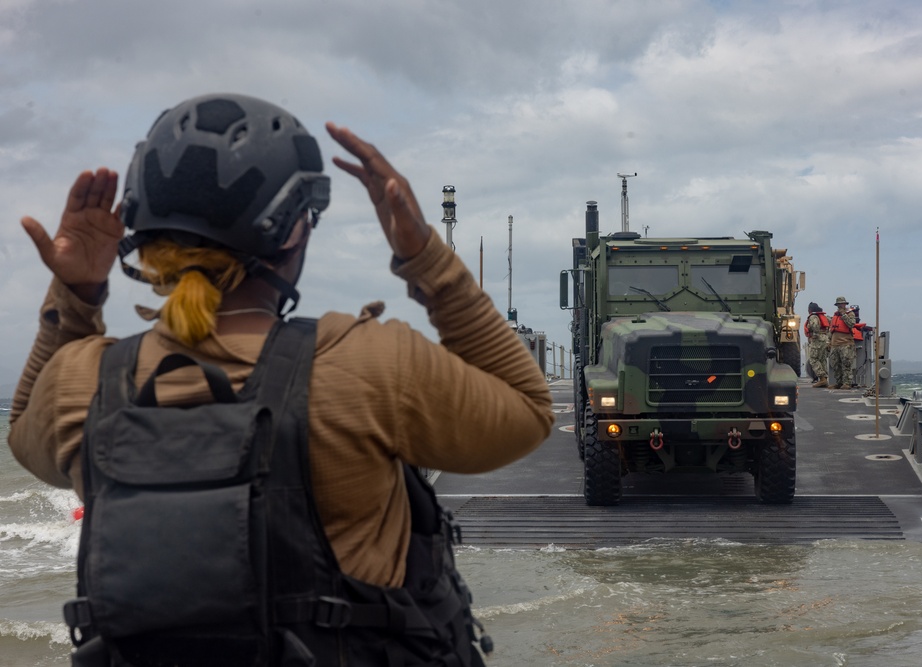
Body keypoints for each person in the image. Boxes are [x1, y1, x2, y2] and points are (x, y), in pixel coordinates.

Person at [8, 93, 554, 665]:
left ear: (146, 234)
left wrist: (76, 296)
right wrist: (425, 259)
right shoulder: (367, 364)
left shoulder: (82, 381)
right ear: (292, 232)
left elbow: (26, 434)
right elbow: (525, 409)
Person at [828, 296, 858, 389]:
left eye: (842, 304)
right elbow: (831, 330)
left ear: (845, 304)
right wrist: (828, 341)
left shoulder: (850, 314)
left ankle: (847, 383)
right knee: (835, 364)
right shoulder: (835, 316)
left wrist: (844, 315)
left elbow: (851, 324)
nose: (840, 306)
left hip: (846, 343)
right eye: (838, 304)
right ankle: (839, 382)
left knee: (846, 363)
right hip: (835, 344)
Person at [804, 301, 831, 388]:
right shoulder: (824, 316)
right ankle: (824, 379)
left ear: (810, 309)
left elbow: (815, 326)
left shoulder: (813, 317)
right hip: (825, 339)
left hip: (818, 339)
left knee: (813, 359)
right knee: (822, 359)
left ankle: (822, 378)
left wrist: (814, 335)